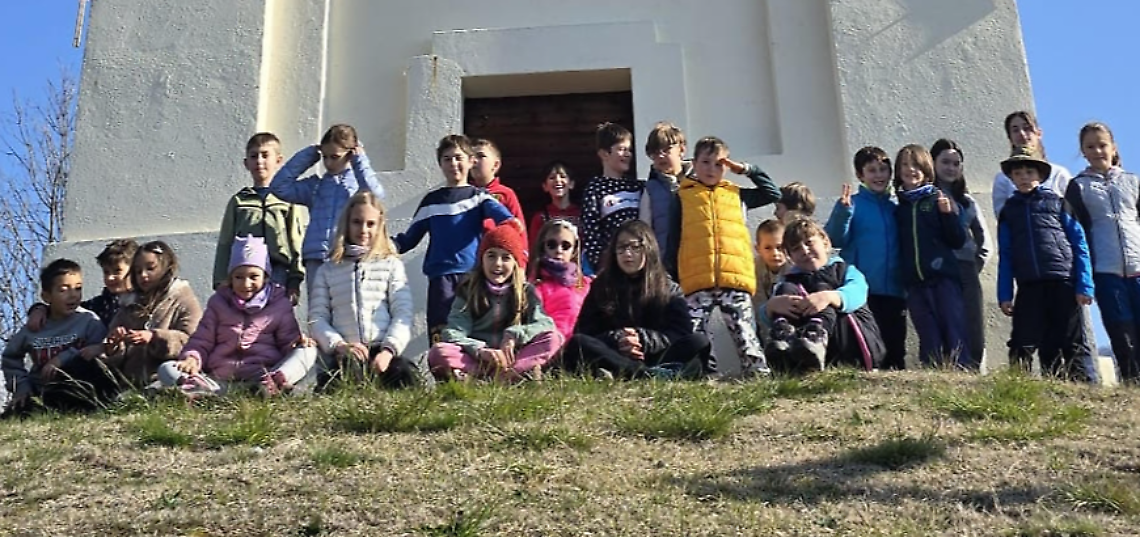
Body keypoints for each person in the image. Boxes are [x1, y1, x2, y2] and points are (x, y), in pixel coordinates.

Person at [667, 136, 781, 376]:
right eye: (705, 162)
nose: (711, 169)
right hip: (696, 280)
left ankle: (757, 375)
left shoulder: (736, 194)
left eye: (719, 164)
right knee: (695, 333)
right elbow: (673, 237)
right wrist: (672, 275)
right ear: (694, 163)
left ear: (727, 166)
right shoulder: (682, 197)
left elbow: (772, 193)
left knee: (745, 333)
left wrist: (747, 170)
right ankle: (702, 376)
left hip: (734, 279)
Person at [393, 134, 518, 344]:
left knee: (474, 332)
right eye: (447, 159)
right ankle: (443, 364)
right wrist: (383, 245)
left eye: (459, 157)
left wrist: (511, 226)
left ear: (471, 161)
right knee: (442, 334)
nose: (453, 163)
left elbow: (505, 220)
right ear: (440, 164)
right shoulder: (431, 202)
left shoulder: (479, 197)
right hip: (440, 279)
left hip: (472, 277)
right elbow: (408, 239)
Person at [157, 236, 318, 397]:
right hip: (221, 379)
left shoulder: (279, 304)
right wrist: (191, 359)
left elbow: (287, 341)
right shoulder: (218, 303)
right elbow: (202, 340)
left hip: (262, 376)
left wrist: (297, 343)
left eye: (254, 277)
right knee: (167, 369)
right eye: (239, 277)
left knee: (308, 351)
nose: (246, 284)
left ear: (265, 277)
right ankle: (204, 391)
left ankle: (274, 384)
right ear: (231, 278)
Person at [562, 220, 712, 380]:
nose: (627, 254)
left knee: (698, 341)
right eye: (621, 248)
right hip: (615, 356)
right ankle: (647, 375)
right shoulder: (602, 286)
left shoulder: (668, 288)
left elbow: (680, 333)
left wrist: (642, 339)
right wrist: (619, 339)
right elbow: (585, 331)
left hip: (656, 356)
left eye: (635, 247)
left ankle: (644, 373)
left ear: (648, 249)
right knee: (578, 343)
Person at [310, 191, 427, 389]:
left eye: (370, 224)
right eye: (357, 222)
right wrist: (339, 345)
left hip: (382, 352)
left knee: (406, 375)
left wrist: (388, 351)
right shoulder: (328, 270)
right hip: (346, 353)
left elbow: (402, 312)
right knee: (336, 383)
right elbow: (317, 318)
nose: (363, 230)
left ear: (380, 225)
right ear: (347, 224)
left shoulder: (391, 265)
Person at [997, 149, 1095, 381]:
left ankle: (1081, 387)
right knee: (1023, 340)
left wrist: (1084, 284)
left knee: (1071, 340)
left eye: (1029, 172)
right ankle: (1018, 385)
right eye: (1018, 173)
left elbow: (1079, 243)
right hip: (1029, 284)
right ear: (1011, 178)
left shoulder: (1058, 203)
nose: (1024, 177)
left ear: (1040, 175)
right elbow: (1006, 254)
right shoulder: (1009, 212)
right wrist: (1004, 294)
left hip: (1062, 280)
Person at [429, 223, 561, 382]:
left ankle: (512, 374)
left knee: (554, 338)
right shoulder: (468, 290)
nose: (498, 263)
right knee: (438, 352)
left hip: (512, 358)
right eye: (491, 256)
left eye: (506, 258)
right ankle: (484, 377)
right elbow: (453, 332)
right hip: (479, 359)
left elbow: (545, 324)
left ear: (514, 263)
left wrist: (515, 334)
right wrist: (480, 350)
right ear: (482, 259)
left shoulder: (527, 291)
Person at [269, 124, 384, 296]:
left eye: (335, 157)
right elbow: (279, 187)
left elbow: (375, 195)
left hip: (346, 256)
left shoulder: (358, 187)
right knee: (318, 308)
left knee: (344, 306)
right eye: (325, 157)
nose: (328, 163)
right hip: (316, 258)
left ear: (351, 154)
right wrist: (309, 155)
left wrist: (360, 160)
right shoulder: (316, 186)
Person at [761, 218, 886, 373]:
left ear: (825, 243)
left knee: (822, 287)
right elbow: (764, 314)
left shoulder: (845, 271)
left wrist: (829, 297)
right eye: (796, 249)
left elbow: (857, 293)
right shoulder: (788, 281)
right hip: (805, 352)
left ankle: (816, 337)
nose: (805, 251)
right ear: (790, 256)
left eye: (809, 243)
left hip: (851, 347)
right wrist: (770, 307)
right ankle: (783, 338)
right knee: (786, 289)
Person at [1066, 122, 1139, 381]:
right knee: (1123, 334)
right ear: (1083, 152)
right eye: (1090, 147)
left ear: (1113, 147)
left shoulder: (1132, 181)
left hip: (1138, 268)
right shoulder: (1078, 187)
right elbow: (1076, 232)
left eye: (1102, 145)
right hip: (1106, 272)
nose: (1097, 151)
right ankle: (1132, 386)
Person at [825, 147, 907, 369]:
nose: (878, 175)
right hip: (863, 292)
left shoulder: (896, 207)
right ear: (860, 175)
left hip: (895, 291)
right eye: (872, 170)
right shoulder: (851, 204)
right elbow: (834, 239)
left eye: (883, 169)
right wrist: (843, 213)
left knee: (895, 346)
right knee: (867, 344)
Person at [894, 144, 971, 368]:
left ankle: (961, 371)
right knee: (928, 334)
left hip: (943, 278)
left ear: (927, 171)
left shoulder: (937, 200)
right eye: (905, 165)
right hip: (915, 283)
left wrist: (948, 216)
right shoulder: (899, 208)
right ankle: (933, 374)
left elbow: (957, 239)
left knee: (953, 328)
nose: (911, 170)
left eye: (916, 166)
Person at [2, 259, 107, 413]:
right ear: (46, 296)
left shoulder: (88, 321)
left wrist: (62, 359)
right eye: (63, 290)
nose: (73, 295)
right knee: (16, 414)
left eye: (78, 288)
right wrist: (21, 386)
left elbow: (99, 351)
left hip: (77, 390)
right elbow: (10, 357)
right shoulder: (35, 326)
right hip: (40, 391)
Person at [213, 132, 305, 304]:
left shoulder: (287, 199)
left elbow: (296, 240)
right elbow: (225, 242)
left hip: (278, 271)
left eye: (265, 155)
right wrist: (221, 279)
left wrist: (295, 278)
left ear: (278, 160)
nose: (259, 161)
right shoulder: (239, 201)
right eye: (254, 156)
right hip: (245, 274)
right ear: (246, 163)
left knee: (275, 316)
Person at [104, 241, 203, 386]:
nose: (143, 275)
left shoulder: (182, 298)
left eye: (150, 268)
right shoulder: (129, 304)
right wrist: (115, 344)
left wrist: (155, 337)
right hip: (132, 383)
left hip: (169, 379)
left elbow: (194, 341)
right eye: (138, 271)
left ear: (166, 267)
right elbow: (113, 355)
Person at [932, 138, 991, 368]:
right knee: (944, 323)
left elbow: (984, 242)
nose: (951, 168)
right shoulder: (926, 198)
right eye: (945, 162)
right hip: (937, 271)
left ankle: (973, 370)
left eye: (956, 163)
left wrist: (973, 266)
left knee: (972, 325)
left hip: (966, 270)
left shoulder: (967, 202)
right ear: (933, 163)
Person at [26, 239, 139, 330]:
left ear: (134, 269)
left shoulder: (145, 301)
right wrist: (39, 310)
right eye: (106, 272)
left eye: (117, 271)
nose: (110, 277)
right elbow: (65, 308)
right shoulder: (98, 305)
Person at [580, 122, 642, 270]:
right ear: (604, 154)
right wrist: (602, 267)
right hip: (613, 265)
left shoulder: (639, 187)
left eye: (629, 150)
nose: (627, 154)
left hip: (640, 261)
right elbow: (591, 233)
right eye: (621, 149)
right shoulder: (595, 188)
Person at [992, 111, 1074, 216]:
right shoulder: (1003, 178)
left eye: (1027, 128)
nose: (1022, 134)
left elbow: (1073, 211)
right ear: (1010, 138)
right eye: (1015, 130)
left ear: (1039, 133)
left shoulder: (1058, 173)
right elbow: (1001, 215)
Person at [529, 218, 592, 344]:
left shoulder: (587, 284)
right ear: (543, 247)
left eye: (565, 246)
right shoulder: (535, 286)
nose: (559, 250)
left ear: (574, 250)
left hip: (581, 345)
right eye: (552, 245)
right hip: (547, 345)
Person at [639, 121, 690, 258]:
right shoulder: (651, 189)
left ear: (681, 150)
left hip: (694, 259)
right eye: (655, 153)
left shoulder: (697, 182)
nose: (660, 156)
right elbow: (645, 229)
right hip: (664, 260)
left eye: (666, 150)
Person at [470, 138, 526, 231]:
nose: (474, 161)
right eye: (471, 157)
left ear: (495, 165)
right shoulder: (465, 193)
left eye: (481, 156)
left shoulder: (506, 193)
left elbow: (519, 229)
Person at [528, 161, 580, 246]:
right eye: (552, 178)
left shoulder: (582, 214)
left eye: (563, 176)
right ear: (545, 186)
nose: (558, 180)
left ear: (571, 184)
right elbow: (534, 247)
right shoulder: (540, 218)